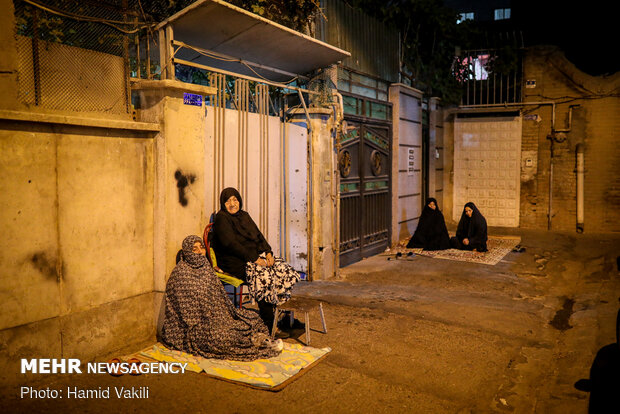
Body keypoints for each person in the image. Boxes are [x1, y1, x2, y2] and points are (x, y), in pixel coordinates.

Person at [161, 235, 282, 361]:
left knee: (250, 319)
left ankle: (260, 340)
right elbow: (185, 312)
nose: (200, 252)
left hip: (218, 317)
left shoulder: (205, 267)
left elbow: (220, 297)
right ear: (187, 252)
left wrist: (221, 317)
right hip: (194, 326)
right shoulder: (181, 274)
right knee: (220, 337)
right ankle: (259, 342)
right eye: (194, 249)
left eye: (201, 248)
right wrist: (208, 320)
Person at [212, 187, 300, 332]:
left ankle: (285, 318)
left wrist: (268, 252)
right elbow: (231, 244)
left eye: (235, 200)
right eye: (228, 201)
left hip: (251, 258)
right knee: (263, 277)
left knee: (282, 269)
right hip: (233, 261)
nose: (232, 204)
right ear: (223, 203)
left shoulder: (244, 216)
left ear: (239, 201)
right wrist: (255, 259)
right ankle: (270, 324)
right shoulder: (222, 218)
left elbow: (258, 235)